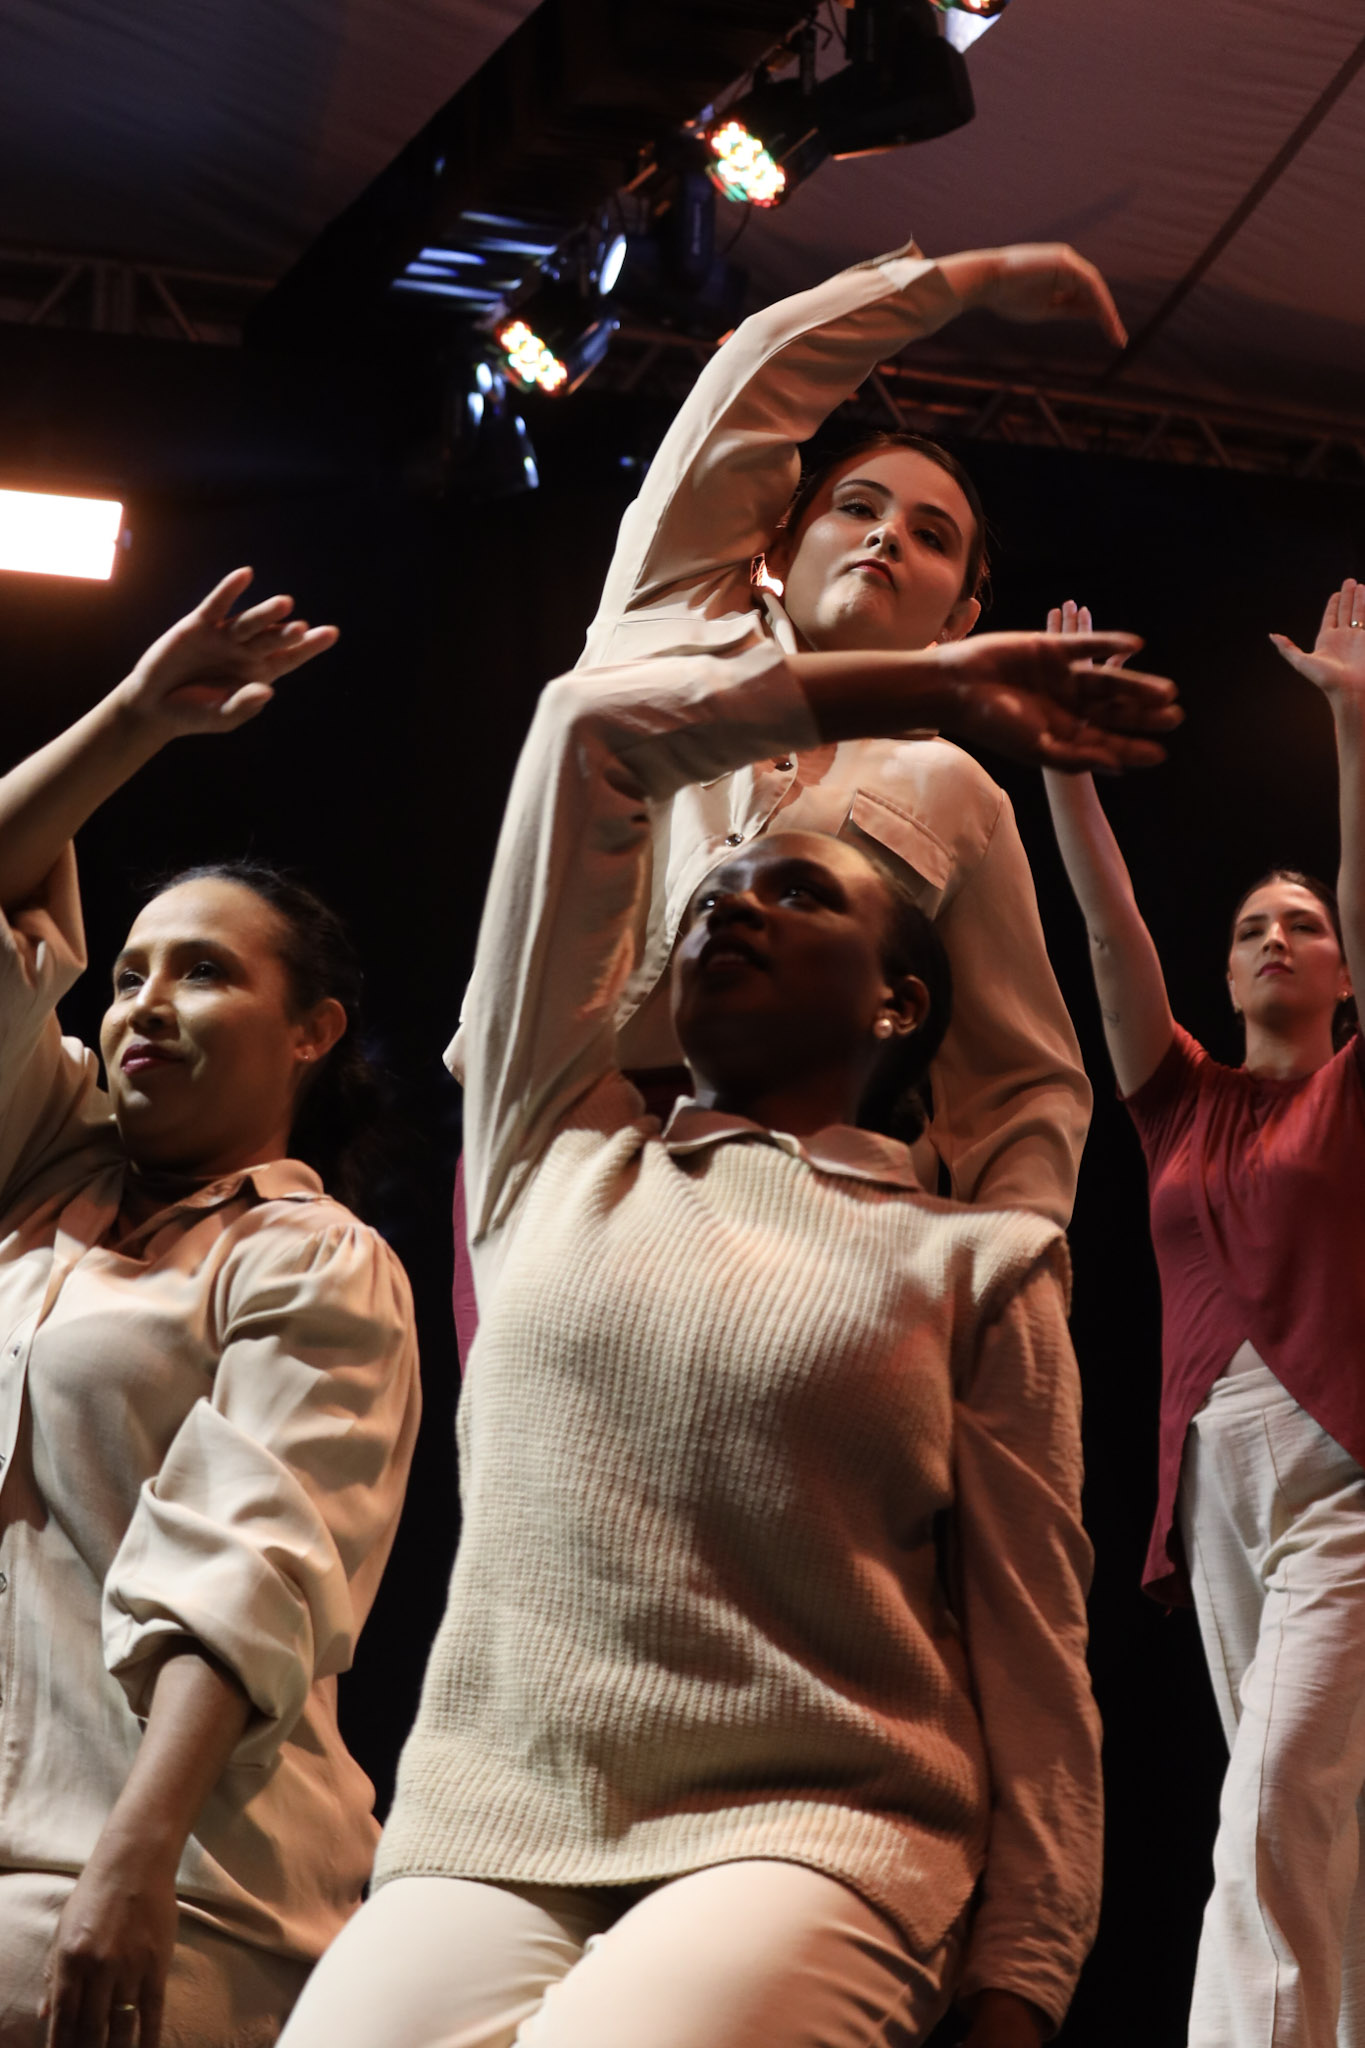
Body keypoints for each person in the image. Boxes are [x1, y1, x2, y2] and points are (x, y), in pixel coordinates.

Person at [280, 613, 1178, 2048]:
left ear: (899, 1001)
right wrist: (929, 681)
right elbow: (588, 733)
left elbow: (1034, 1651)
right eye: (709, 900)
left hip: (822, 1824)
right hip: (490, 1824)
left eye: (798, 894)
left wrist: (1023, 1974)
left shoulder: (981, 1262)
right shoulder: (547, 1153)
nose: (731, 912)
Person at [447, 233, 1144, 1357]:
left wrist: (1005, 1287)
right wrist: (956, 284)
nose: (885, 535)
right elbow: (754, 383)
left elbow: (1024, 1084)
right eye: (855, 507)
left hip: (805, 1182)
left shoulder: (957, 791)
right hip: (563, 1124)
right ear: (780, 538)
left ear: (962, 618)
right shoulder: (670, 625)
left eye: (931, 537)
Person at [0, 570, 421, 2048]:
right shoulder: (40, 1172)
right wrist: (135, 718)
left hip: (170, 1878)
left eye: (205, 973)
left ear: (312, 1032)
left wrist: (135, 1857)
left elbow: (254, 1563)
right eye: (126, 975)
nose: (144, 1003)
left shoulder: (311, 1257)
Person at [1040, 584, 1365, 2048]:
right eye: (1251, 927)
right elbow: (1108, 934)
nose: (1278, 937)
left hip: (1345, 1468)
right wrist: (1065, 769)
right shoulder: (1177, 1099)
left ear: (1342, 968)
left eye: (1305, 924)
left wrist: (1352, 726)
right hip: (1214, 1484)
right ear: (1225, 969)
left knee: (1275, 1802)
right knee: (1305, 1826)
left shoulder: (1352, 1089)